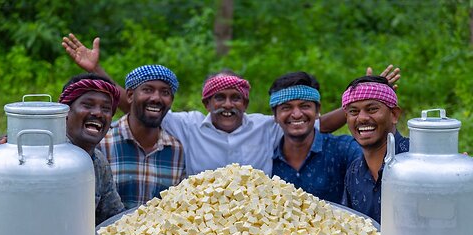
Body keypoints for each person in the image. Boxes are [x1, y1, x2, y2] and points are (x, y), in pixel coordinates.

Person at [61, 33, 400, 176]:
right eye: (219, 98)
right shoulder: (187, 124)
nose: (227, 105)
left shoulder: (267, 126)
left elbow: (318, 123)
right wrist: (98, 73)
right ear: (206, 101)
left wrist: (363, 95)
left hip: (253, 226)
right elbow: (139, 107)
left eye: (235, 98)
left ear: (245, 103)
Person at [0, 73, 125, 225]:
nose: (97, 113)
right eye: (87, 105)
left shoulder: (99, 163)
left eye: (106, 108)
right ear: (65, 113)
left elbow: (114, 220)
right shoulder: (34, 151)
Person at [99, 64, 186, 209]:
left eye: (165, 92)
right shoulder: (103, 141)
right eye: (147, 90)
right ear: (130, 95)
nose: (156, 98)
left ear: (171, 101)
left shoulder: (176, 150)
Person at [268, 72, 362, 204]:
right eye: (286, 107)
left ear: (317, 111)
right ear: (275, 116)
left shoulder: (343, 149)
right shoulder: (266, 159)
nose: (296, 114)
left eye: (305, 106)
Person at [341, 75, 409, 223]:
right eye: (353, 111)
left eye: (372, 109)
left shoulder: (418, 159)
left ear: (394, 114)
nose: (362, 118)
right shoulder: (354, 172)